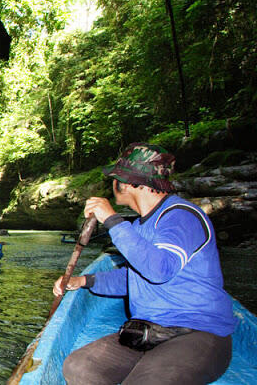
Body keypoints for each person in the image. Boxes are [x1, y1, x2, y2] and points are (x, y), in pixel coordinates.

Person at [54, 142, 236, 385]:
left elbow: (159, 269)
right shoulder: (139, 226)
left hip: (198, 332)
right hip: (149, 330)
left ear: (128, 183)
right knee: (78, 368)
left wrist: (111, 220)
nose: (112, 184)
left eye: (115, 178)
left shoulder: (182, 216)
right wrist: (84, 281)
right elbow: (135, 277)